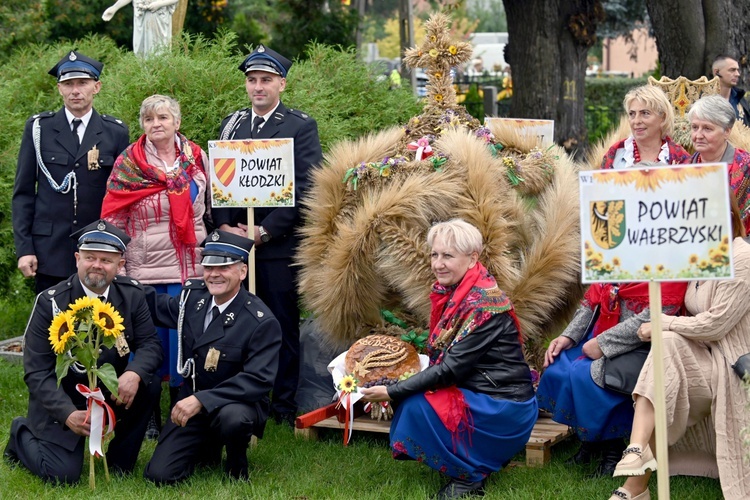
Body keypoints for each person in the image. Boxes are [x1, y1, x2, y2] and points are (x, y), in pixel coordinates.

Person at [360, 219, 537, 500]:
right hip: (487, 395)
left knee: (416, 405)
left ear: (472, 259)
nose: (438, 264)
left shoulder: (483, 306)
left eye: (448, 256)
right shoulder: (463, 292)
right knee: (416, 397)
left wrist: (390, 391)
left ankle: (470, 474)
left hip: (503, 408)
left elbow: (450, 370)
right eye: (435, 254)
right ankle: (471, 457)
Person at [610, 199, 750, 500]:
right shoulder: (704, 257)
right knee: (666, 367)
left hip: (732, 363)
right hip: (703, 354)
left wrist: (663, 322)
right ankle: (635, 452)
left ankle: (634, 486)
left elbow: (716, 325)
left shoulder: (742, 258)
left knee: (667, 354)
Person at [3, 220, 163, 484]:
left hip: (110, 391)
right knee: (62, 476)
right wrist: (67, 414)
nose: (97, 265)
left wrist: (134, 373)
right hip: (65, 398)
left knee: (150, 383)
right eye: (90, 257)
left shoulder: (132, 295)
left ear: (120, 265)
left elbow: (150, 345)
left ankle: (121, 462)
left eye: (106, 260)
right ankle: (21, 433)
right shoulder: (51, 302)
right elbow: (36, 372)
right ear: (77, 258)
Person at [213, 44, 323, 426]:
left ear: (282, 84)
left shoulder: (298, 126)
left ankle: (282, 405)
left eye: (266, 80)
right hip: (236, 246)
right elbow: (221, 179)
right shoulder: (233, 124)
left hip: (277, 246)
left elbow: (308, 187)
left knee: (279, 323)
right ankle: (246, 398)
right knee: (237, 323)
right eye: (252, 80)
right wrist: (225, 226)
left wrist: (266, 230)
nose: (258, 87)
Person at [101, 94, 209, 437]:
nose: (156, 124)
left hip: (190, 268)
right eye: (149, 119)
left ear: (177, 122)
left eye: (163, 117)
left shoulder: (197, 157)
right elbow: (114, 217)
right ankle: (146, 415)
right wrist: (116, 269)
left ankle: (181, 414)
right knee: (149, 345)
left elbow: (210, 207)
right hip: (144, 271)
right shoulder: (128, 164)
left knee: (185, 343)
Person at [142, 230, 282, 483]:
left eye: (224, 267)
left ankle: (236, 465)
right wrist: (111, 281)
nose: (214, 274)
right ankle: (208, 447)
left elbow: (258, 380)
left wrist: (202, 399)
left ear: (242, 272)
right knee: (159, 476)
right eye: (208, 267)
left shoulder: (260, 321)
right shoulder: (193, 300)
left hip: (237, 403)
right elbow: (153, 305)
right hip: (193, 403)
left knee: (233, 418)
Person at [536, 278, 688, 477]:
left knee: (586, 376)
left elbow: (655, 316)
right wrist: (567, 337)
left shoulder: (668, 270)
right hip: (602, 334)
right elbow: (591, 303)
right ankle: (590, 441)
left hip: (641, 344)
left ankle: (612, 451)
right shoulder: (615, 259)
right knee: (559, 366)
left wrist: (602, 343)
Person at [12, 51, 130, 294]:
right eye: (68, 84)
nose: (75, 90)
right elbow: (23, 194)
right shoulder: (39, 129)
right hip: (49, 250)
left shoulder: (115, 132)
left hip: (98, 252)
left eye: (82, 83)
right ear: (59, 89)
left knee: (99, 324)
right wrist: (25, 249)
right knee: (51, 326)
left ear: (96, 87)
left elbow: (121, 197)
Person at [687, 94, 750, 234]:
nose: (698, 135)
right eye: (695, 127)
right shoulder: (682, 169)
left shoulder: (746, 167)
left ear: (727, 131)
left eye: (707, 129)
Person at [601, 85, 690, 169]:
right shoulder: (615, 153)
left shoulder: (680, 157)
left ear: (663, 117)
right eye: (632, 114)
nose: (636, 121)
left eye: (645, 113)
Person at [102, 0, 179, 57]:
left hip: (157, 16)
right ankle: (144, 76)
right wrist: (114, 8)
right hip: (140, 17)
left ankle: (156, 75)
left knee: (157, 50)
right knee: (140, 53)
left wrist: (159, 4)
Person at [712, 55, 750, 128]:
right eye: (732, 70)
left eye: (737, 70)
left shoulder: (741, 100)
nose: (737, 74)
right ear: (717, 72)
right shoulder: (703, 100)